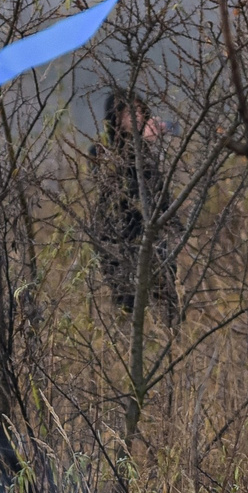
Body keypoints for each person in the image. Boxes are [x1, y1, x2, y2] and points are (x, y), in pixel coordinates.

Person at [86, 90, 179, 321]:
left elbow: (159, 192)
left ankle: (168, 336)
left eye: (139, 110)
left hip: (150, 235)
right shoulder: (100, 151)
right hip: (117, 237)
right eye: (129, 112)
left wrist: (175, 226)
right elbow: (116, 187)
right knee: (127, 302)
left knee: (165, 295)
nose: (136, 116)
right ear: (115, 116)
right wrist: (138, 148)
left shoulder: (147, 150)